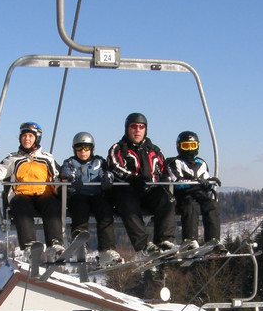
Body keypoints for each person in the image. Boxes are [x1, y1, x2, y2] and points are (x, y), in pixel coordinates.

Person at [0, 122, 64, 261]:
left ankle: (55, 244)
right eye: (24, 136)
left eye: (30, 136)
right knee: (21, 205)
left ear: (36, 138)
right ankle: (29, 246)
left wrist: (63, 189)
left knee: (52, 204)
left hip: (43, 194)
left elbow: (57, 177)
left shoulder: (47, 158)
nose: (27, 139)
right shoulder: (13, 159)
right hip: (21, 194)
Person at [107, 112, 177, 257]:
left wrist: (165, 178)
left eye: (141, 127)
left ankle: (164, 241)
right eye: (133, 127)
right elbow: (114, 166)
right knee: (127, 203)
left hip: (150, 190)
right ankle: (144, 245)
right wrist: (132, 178)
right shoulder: (119, 148)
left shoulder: (154, 150)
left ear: (145, 129)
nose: (137, 130)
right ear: (127, 128)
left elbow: (164, 169)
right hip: (128, 190)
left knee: (167, 198)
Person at [59, 132, 121, 266]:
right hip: (78, 195)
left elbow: (107, 172)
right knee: (80, 208)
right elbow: (65, 172)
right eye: (79, 149)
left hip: (96, 196)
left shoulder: (98, 162)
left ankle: (107, 250)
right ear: (74, 149)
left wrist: (107, 178)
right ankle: (80, 242)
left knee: (105, 212)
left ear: (92, 149)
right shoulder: (70, 163)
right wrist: (72, 178)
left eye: (86, 148)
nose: (83, 152)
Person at [165, 130, 225, 252]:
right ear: (179, 147)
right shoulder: (174, 162)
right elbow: (177, 181)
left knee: (212, 205)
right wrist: (197, 181)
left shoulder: (201, 163)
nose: (189, 149)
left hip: (199, 194)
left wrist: (210, 183)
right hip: (183, 195)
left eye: (192, 146)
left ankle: (213, 241)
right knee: (191, 206)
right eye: (186, 146)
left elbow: (206, 178)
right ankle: (190, 240)